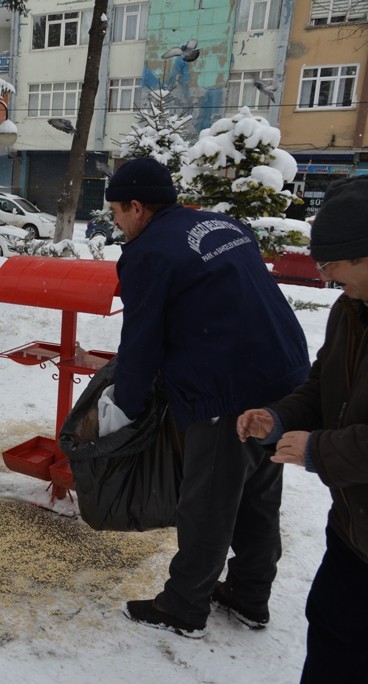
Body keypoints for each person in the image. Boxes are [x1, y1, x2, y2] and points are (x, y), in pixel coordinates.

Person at [107, 158, 310, 638]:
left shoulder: (148, 252)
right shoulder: (221, 223)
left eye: (116, 211)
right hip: (286, 372)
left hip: (229, 388)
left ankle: (183, 607)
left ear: (137, 207)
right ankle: (249, 595)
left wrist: (125, 410)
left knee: (209, 502)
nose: (115, 222)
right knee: (259, 491)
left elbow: (141, 340)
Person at [237, 175, 368, 682]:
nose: (326, 274)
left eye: (334, 261)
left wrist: (320, 450)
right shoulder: (350, 310)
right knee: (333, 632)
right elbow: (322, 385)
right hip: (353, 530)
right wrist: (281, 416)